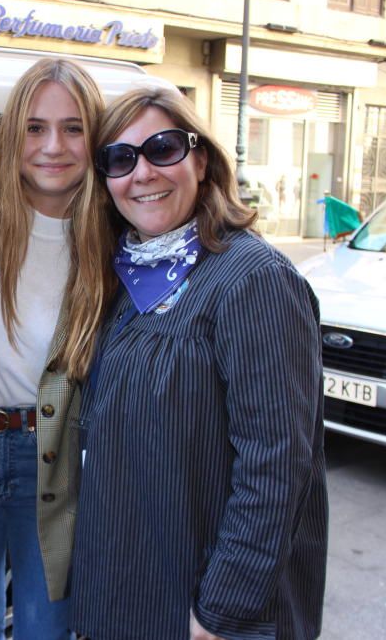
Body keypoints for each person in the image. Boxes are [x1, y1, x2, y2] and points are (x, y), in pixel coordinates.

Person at [69, 79, 328, 640]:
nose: (143, 173)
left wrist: (222, 613)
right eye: (120, 158)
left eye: (163, 148)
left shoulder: (252, 279)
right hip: (129, 591)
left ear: (202, 159)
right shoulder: (121, 275)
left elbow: (278, 464)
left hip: (202, 611)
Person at [0, 58, 114, 639]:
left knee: (46, 629)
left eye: (73, 128)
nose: (52, 147)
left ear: (96, 137)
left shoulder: (114, 236)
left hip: (52, 456)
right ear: (13, 132)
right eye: (35, 127)